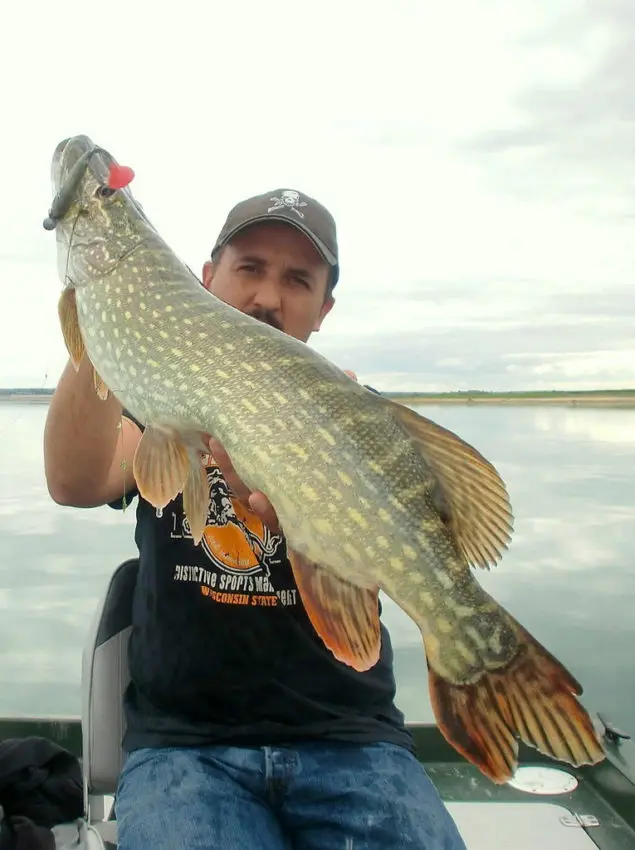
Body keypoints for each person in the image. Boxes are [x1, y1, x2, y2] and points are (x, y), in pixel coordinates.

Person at [43, 188, 467, 850]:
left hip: (350, 742)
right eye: (250, 267)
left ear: (323, 308)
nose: (269, 296)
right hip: (185, 750)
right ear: (206, 276)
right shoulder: (156, 406)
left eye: (297, 279)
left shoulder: (355, 416)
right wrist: (105, 313)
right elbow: (72, 482)